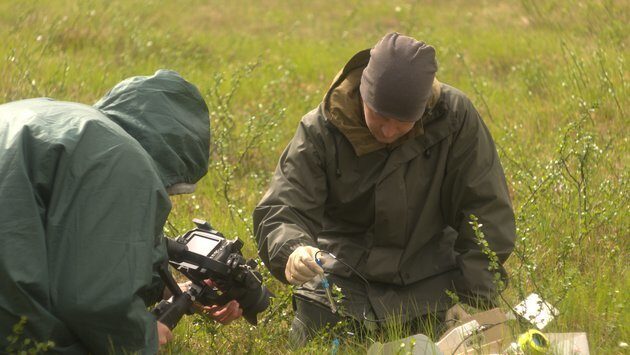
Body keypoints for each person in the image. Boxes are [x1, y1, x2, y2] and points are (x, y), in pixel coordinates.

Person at [253, 33, 516, 346]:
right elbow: (284, 205)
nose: (389, 131)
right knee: (311, 342)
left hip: (431, 278)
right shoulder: (321, 128)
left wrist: (473, 297)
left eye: (403, 121)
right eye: (379, 116)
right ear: (363, 93)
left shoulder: (454, 118)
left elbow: (486, 209)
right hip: (341, 275)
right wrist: (293, 249)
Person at [0, 70, 241, 354]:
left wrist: (169, 287)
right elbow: (93, 300)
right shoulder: (122, 157)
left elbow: (74, 247)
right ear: (171, 155)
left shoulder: (63, 119)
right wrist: (143, 337)